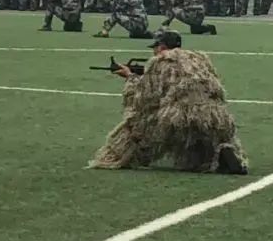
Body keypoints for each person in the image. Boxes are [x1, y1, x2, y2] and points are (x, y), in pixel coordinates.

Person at [89, 29, 248, 174]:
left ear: (162, 47)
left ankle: (125, 157)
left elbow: (144, 99)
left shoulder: (159, 62)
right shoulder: (198, 59)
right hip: (215, 117)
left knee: (134, 127)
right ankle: (222, 154)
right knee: (198, 150)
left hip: (179, 118)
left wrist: (130, 78)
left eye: (155, 48)